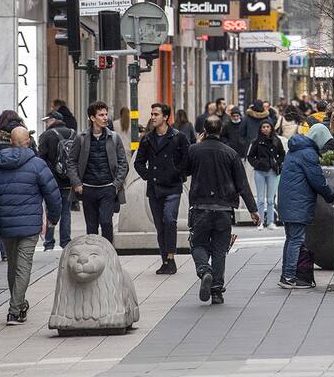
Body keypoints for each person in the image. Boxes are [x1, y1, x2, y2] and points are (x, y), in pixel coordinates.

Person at [0, 127, 61, 325]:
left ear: (11, 142)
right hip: (29, 225)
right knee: (23, 267)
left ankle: (19, 304)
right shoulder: (37, 164)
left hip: (6, 224)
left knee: (13, 266)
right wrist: (53, 217)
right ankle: (15, 310)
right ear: (28, 142)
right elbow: (52, 193)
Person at [187, 115, 259, 304]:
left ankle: (204, 270)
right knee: (220, 249)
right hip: (224, 208)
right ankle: (217, 291)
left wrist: (195, 146)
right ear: (220, 130)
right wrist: (253, 210)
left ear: (204, 130)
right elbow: (242, 184)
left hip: (201, 206)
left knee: (198, 244)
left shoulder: (194, 150)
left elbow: (183, 171)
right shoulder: (230, 153)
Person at [276, 122, 334, 288]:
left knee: (291, 239)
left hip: (288, 201)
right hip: (297, 203)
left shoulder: (296, 150)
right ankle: (289, 277)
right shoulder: (308, 154)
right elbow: (317, 180)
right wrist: (331, 197)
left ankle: (286, 275)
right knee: (296, 239)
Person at [134, 102, 189, 274]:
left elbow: (187, 160)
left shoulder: (178, 137)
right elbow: (139, 163)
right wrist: (149, 175)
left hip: (173, 187)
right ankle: (165, 260)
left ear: (165, 117)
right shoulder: (147, 139)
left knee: (170, 220)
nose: (152, 117)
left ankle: (171, 258)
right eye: (152, 114)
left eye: (156, 114)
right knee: (160, 225)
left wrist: (177, 173)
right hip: (155, 188)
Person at [67, 101, 129, 243]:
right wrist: (77, 183)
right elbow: (71, 162)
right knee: (91, 227)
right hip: (88, 189)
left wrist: (116, 185)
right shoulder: (81, 138)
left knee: (106, 222)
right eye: (101, 115)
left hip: (108, 188)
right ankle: (93, 252)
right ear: (92, 118)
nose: (105, 117)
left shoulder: (114, 138)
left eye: (106, 114)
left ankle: (108, 251)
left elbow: (123, 163)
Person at [37, 109, 76, 251]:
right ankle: (65, 241)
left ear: (53, 120)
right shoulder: (73, 134)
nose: (46, 123)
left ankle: (49, 242)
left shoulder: (46, 135)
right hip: (68, 179)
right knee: (66, 211)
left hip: (51, 180)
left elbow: (40, 158)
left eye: (47, 120)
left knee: (51, 210)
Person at [246, 119, 285, 229]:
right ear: (260, 129)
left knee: (271, 199)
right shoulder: (256, 141)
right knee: (260, 199)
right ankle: (260, 222)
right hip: (259, 171)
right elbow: (250, 156)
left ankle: (271, 222)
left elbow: (282, 154)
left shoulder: (276, 140)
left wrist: (277, 163)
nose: (266, 129)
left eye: (268, 127)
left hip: (272, 171)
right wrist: (257, 164)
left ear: (271, 128)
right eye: (263, 127)